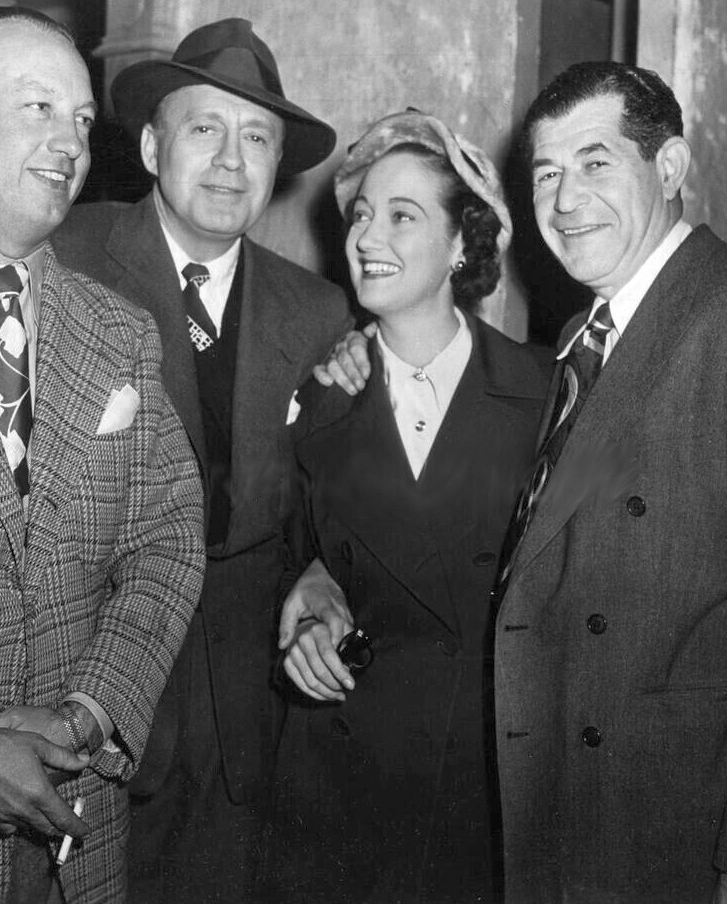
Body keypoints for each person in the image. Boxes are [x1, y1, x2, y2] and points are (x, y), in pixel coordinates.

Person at [0, 17, 353, 902]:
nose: (70, 141)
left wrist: (91, 710)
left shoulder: (127, 327)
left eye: (81, 119)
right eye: (37, 106)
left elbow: (170, 536)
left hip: (96, 807)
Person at [268, 110, 552, 904]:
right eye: (360, 215)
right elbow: (284, 553)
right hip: (341, 790)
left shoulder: (543, 395)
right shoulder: (316, 401)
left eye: (401, 216)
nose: (366, 236)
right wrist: (307, 600)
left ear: (462, 242)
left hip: (487, 790)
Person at [490, 61, 727, 903]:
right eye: (545, 173)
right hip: (572, 815)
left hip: (671, 830)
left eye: (594, 162)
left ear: (668, 167)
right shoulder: (583, 335)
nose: (563, 200)